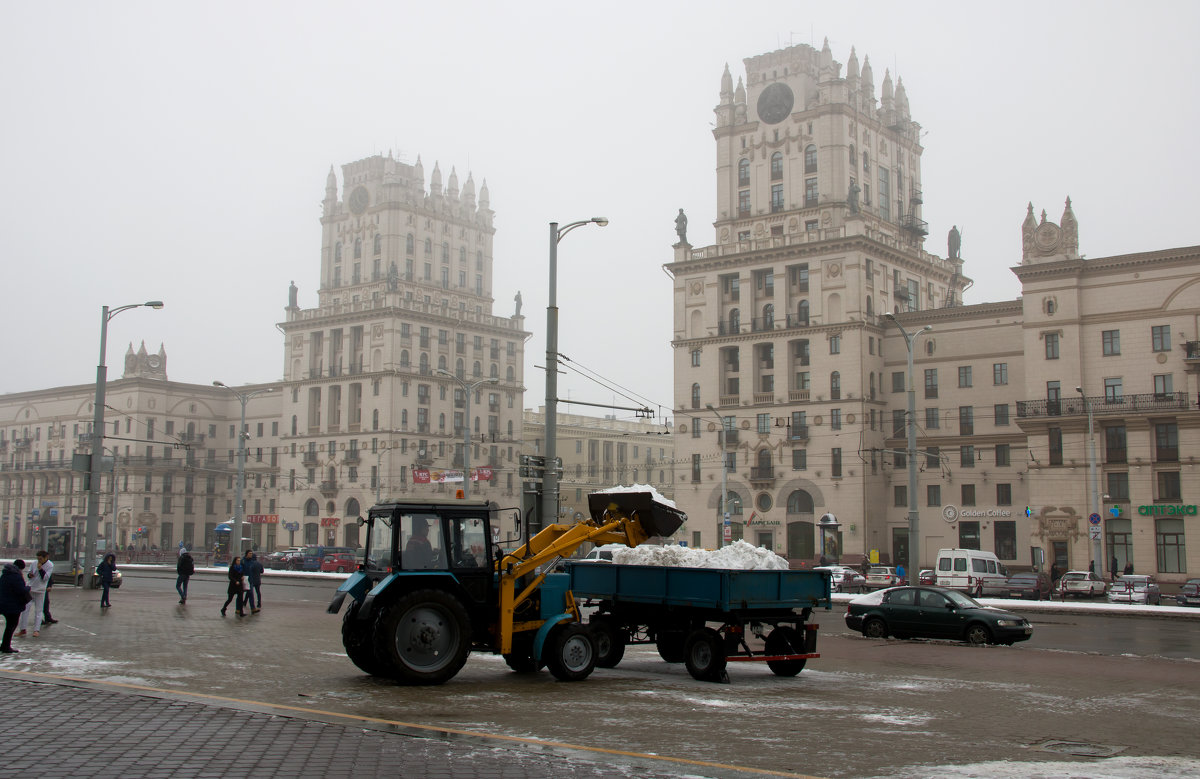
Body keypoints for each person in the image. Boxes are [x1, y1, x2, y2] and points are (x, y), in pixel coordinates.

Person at [18, 550, 51, 637]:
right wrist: (30, 575)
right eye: (38, 558)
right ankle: (22, 629)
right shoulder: (34, 563)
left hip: (40, 590)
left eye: (41, 559)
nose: (39, 561)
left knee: (38, 610)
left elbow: (45, 578)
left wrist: (40, 569)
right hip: (31, 588)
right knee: (25, 609)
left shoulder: (50, 565)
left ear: (45, 558)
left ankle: (36, 630)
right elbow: (29, 573)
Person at [1, 559, 31, 653]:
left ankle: (4, 645)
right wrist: (28, 588)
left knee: (9, 625)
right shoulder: (16, 576)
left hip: (3, 603)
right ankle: (6, 646)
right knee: (11, 625)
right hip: (12, 605)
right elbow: (21, 590)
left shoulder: (5, 574)